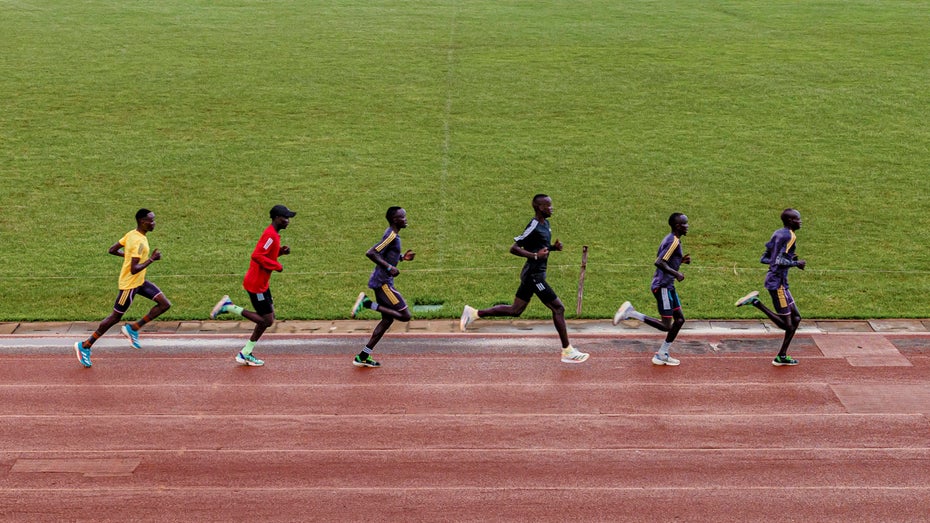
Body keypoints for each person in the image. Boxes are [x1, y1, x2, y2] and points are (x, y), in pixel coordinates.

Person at [460, 194, 589, 364]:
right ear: (539, 208)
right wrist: (535, 256)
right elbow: (514, 248)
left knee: (516, 310)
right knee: (558, 308)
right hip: (534, 276)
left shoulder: (546, 224)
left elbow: (540, 246)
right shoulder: (534, 225)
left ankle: (474, 313)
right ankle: (567, 351)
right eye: (548, 206)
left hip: (534, 275)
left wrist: (553, 248)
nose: (552, 208)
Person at [74, 208, 172, 368]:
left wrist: (128, 256)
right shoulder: (138, 242)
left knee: (164, 304)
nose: (154, 223)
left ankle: (134, 328)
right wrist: (152, 259)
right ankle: (85, 345)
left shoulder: (132, 234)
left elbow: (112, 250)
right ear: (142, 221)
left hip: (139, 282)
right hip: (130, 285)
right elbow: (134, 269)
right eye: (151, 220)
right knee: (115, 317)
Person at [209, 204, 295, 367]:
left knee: (268, 319)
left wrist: (280, 253)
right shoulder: (270, 235)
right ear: (277, 218)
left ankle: (246, 353)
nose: (288, 221)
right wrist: (277, 266)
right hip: (256, 285)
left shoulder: (274, 236)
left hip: (262, 283)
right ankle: (229, 307)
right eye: (285, 218)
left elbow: (266, 254)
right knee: (266, 321)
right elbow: (256, 256)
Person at [613, 212, 691, 366]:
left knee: (680, 320)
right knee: (666, 325)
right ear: (677, 226)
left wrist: (680, 260)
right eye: (685, 223)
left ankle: (662, 353)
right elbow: (660, 262)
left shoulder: (672, 240)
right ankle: (631, 313)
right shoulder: (673, 241)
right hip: (663, 287)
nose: (687, 226)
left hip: (668, 286)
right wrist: (677, 274)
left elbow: (667, 259)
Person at [735, 208, 806, 366]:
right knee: (786, 324)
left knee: (797, 318)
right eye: (797, 219)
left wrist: (787, 258)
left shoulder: (777, 233)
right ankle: (756, 303)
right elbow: (779, 260)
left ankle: (781, 355)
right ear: (789, 221)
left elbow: (765, 258)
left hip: (781, 283)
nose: (800, 221)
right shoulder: (790, 236)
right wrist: (796, 263)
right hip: (777, 284)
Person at [349, 206, 416, 368]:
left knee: (387, 320)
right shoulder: (391, 236)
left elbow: (387, 254)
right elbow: (371, 252)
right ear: (394, 220)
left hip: (382, 281)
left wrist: (401, 258)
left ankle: (363, 356)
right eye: (402, 217)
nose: (406, 219)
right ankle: (367, 303)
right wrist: (389, 268)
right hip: (384, 283)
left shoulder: (394, 236)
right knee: (405, 316)